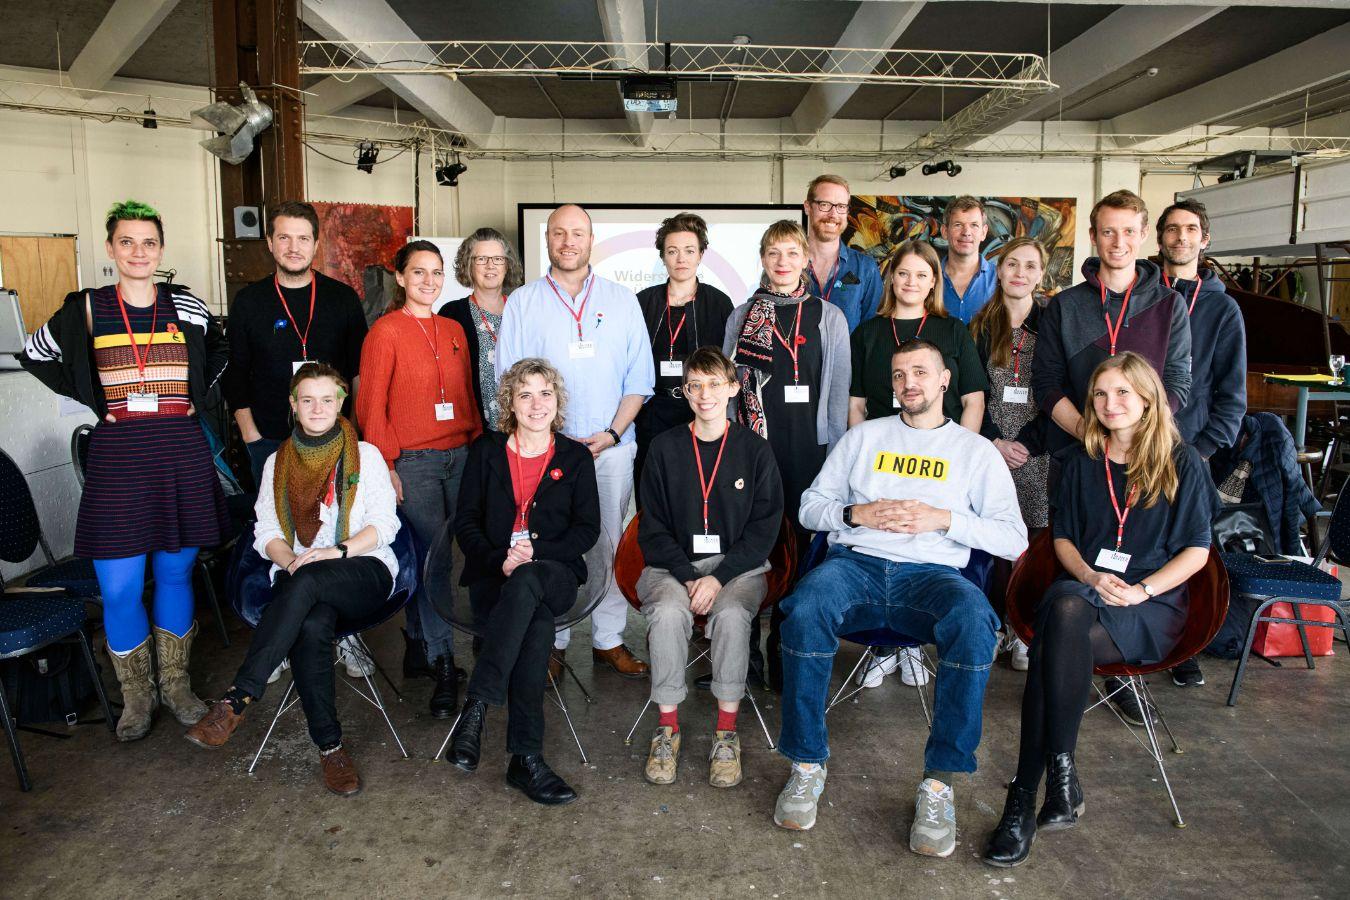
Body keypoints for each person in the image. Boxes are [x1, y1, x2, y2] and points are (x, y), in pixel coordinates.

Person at [771, 339, 1027, 855]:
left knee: (976, 624)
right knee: (804, 607)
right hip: (856, 566)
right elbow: (809, 507)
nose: (909, 382)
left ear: (943, 381)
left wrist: (944, 520)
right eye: (898, 374)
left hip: (932, 575)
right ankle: (806, 764)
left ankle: (939, 782)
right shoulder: (863, 438)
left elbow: (1014, 538)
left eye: (920, 372)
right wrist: (854, 515)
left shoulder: (974, 452)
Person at [982, 352, 1214, 868]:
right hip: (1085, 594)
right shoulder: (1080, 461)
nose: (1110, 404)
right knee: (1065, 608)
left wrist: (1141, 591)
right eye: (1101, 395)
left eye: (1123, 393)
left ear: (1148, 398)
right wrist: (1089, 575)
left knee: (1052, 642)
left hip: (1148, 607)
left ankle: (1025, 794)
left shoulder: (1183, 461)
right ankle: (1056, 776)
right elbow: (1061, 539)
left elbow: (1197, 551)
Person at [22, 200, 231, 741]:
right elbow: (36, 352)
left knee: (176, 573)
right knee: (118, 588)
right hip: (119, 456)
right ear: (111, 248)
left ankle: (178, 686)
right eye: (127, 242)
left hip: (179, 450)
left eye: (149, 243)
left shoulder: (185, 304)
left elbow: (223, 349)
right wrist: (95, 401)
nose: (139, 252)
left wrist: (198, 396)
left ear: (161, 249)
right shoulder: (86, 309)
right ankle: (137, 699)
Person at [185, 364, 400, 797]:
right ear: (293, 405)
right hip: (300, 577)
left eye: (327, 399)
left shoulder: (367, 455)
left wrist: (332, 552)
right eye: (307, 400)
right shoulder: (276, 462)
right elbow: (267, 531)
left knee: (308, 585)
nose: (317, 408)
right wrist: (292, 561)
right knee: (312, 623)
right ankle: (330, 747)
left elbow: (385, 525)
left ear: (341, 402)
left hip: (362, 569)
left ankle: (238, 698)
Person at [496, 204, 655, 680]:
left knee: (606, 543)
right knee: (548, 545)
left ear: (592, 239)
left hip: (611, 448)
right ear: (547, 240)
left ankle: (608, 640)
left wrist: (610, 434)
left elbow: (639, 380)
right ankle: (554, 640)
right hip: (545, 454)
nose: (569, 241)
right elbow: (510, 383)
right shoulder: (522, 302)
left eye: (578, 233)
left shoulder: (621, 300)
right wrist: (544, 442)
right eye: (559, 233)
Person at [444, 358, 599, 806]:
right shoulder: (485, 452)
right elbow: (467, 523)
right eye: (525, 393)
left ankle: (476, 706)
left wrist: (535, 552)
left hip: (554, 573)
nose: (536, 403)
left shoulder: (573, 457)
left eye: (545, 393)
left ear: (557, 401)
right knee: (536, 629)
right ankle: (525, 760)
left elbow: (586, 529)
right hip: (496, 575)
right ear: (509, 402)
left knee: (530, 583)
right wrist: (501, 559)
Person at [637, 348, 784, 788]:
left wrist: (717, 577)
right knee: (667, 612)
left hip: (737, 567)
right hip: (672, 565)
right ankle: (667, 728)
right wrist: (688, 576)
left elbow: (763, 531)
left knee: (734, 615)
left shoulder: (755, 451)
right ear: (684, 391)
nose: (705, 395)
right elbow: (652, 527)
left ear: (734, 388)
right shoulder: (664, 448)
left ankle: (726, 731)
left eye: (715, 384)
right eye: (695, 385)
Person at [847, 238, 988, 690]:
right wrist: (856, 454)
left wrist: (959, 451)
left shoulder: (953, 331)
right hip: (880, 461)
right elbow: (856, 403)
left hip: (936, 460)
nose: (911, 282)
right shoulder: (868, 331)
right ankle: (883, 648)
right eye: (903, 273)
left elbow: (972, 399)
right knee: (883, 539)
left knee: (920, 547)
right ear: (891, 278)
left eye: (922, 275)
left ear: (934, 282)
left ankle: (911, 646)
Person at [724, 218, 851, 691]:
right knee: (752, 544)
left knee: (798, 552)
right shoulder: (741, 316)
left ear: (806, 260)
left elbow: (838, 393)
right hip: (754, 447)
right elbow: (727, 390)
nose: (782, 263)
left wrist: (836, 458)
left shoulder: (829, 317)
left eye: (791, 253)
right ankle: (743, 653)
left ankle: (784, 649)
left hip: (809, 449)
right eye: (773, 253)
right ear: (762, 259)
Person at [356, 240, 482, 718]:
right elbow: (371, 405)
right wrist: (386, 465)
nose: (428, 281)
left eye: (436, 272)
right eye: (418, 272)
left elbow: (466, 394)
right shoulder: (385, 333)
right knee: (432, 563)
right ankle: (442, 661)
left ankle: (421, 644)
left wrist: (473, 443)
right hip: (414, 463)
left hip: (461, 455)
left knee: (461, 557)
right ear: (401, 278)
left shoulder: (452, 328)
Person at [1156, 198, 1247, 688]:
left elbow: (1232, 394)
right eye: (1172, 230)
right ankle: (1135, 634)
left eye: (1190, 229)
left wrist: (1203, 451)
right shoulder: (1142, 295)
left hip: (1192, 453)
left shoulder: (1222, 309)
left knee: (1186, 551)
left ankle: (1182, 646)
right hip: (1137, 447)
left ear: (1204, 239)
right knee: (1133, 542)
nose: (1181, 238)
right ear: (1160, 239)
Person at [1033, 190, 1192, 455]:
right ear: (1093, 236)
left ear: (1143, 234)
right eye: (1108, 232)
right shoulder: (1064, 305)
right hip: (1076, 451)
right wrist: (1086, 432)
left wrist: (1140, 433)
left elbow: (1177, 380)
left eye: (1128, 231)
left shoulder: (1171, 305)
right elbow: (1045, 382)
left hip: (1146, 451)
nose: (1119, 242)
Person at [223, 200, 367, 487]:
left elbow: (359, 370)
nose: (293, 247)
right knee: (276, 525)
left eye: (303, 239)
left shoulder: (343, 299)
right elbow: (235, 373)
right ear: (270, 243)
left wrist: (352, 427)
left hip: (334, 435)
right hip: (270, 440)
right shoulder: (249, 302)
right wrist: (252, 437)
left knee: (335, 522)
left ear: (315, 245)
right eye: (284, 238)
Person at [970, 237, 1053, 671]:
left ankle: (1025, 630)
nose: (1020, 272)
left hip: (1037, 453)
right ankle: (996, 627)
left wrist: (1026, 444)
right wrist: (995, 441)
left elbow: (1059, 389)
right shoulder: (981, 326)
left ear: (1041, 275)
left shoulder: (1052, 324)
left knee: (1033, 546)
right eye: (1012, 264)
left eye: (1030, 266)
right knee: (992, 544)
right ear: (999, 271)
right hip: (990, 448)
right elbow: (971, 391)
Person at [634, 213, 734, 497]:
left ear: (701, 254)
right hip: (652, 412)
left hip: (703, 410)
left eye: (689, 251)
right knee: (653, 492)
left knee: (699, 491)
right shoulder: (643, 301)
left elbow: (727, 363)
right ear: (663, 256)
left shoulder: (718, 303)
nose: (681, 259)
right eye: (672, 251)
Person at [438, 227, 525, 432]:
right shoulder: (452, 313)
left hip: (521, 426)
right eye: (481, 259)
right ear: (469, 265)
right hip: (472, 429)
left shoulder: (522, 310)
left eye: (497, 259)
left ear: (507, 265)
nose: (490, 266)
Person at [803, 174, 883, 332]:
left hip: (849, 357)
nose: (833, 215)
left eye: (841, 206)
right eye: (824, 204)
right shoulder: (787, 265)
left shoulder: (866, 268)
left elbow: (873, 331)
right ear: (807, 207)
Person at [940, 197, 999, 323]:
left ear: (984, 232)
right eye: (958, 225)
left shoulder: (1000, 279)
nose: (966, 232)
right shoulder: (928, 278)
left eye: (974, 225)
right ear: (945, 231)